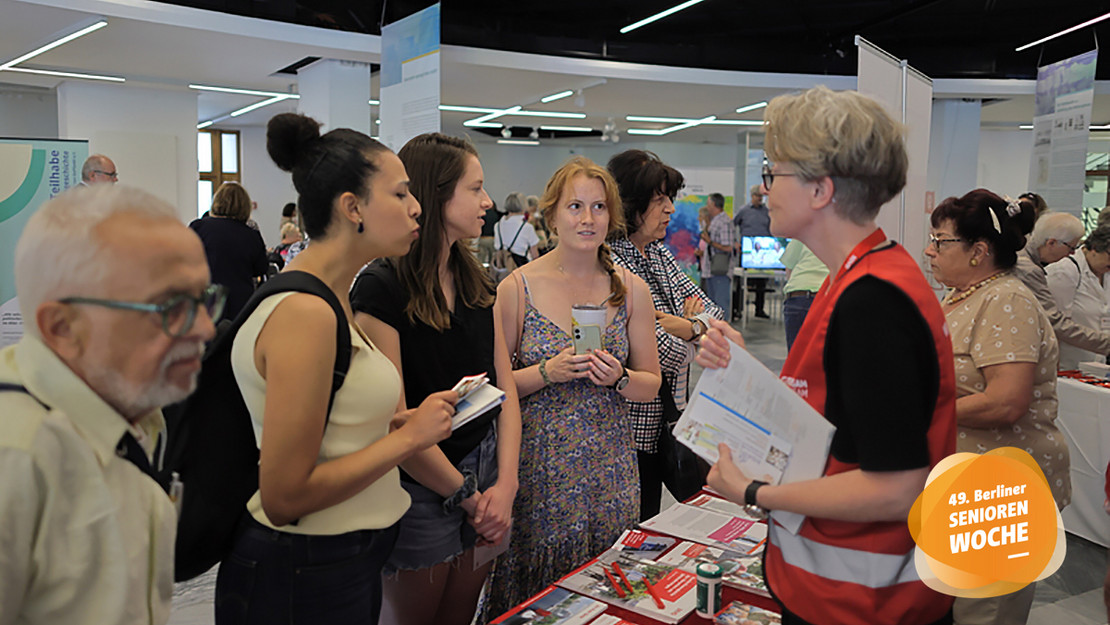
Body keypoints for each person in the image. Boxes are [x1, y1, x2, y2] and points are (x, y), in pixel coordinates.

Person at [696, 86, 957, 625]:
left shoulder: (871, 302)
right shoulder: (861, 276)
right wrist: (746, 369)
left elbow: (897, 487)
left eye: (776, 174)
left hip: (865, 602)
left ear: (820, 189)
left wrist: (752, 490)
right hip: (848, 593)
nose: (766, 190)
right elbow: (839, 416)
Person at [213, 113, 456, 625]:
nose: (416, 209)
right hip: (307, 570)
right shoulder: (306, 312)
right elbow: (286, 495)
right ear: (353, 208)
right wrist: (408, 442)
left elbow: (327, 430)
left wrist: (396, 425)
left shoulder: (330, 297)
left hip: (337, 562)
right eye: (400, 194)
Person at [0, 184, 221, 624]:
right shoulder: (17, 459)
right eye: (170, 306)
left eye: (203, 299)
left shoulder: (133, 415)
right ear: (63, 326)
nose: (204, 330)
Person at [349, 133, 520, 625]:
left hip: (485, 472)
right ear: (437, 194)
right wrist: (466, 496)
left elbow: (503, 390)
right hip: (421, 485)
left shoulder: (475, 280)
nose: (487, 202)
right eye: (476, 189)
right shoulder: (382, 288)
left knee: (460, 613)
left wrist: (504, 486)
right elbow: (394, 419)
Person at [482, 156, 661, 621]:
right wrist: (548, 371)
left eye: (598, 207)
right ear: (552, 214)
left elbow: (650, 383)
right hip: (542, 467)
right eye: (575, 206)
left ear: (612, 216)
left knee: (605, 585)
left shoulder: (631, 290)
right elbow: (494, 389)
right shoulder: (518, 288)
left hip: (611, 468)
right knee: (540, 593)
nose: (587, 219)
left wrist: (618, 378)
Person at [925, 189, 1069, 625]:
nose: (929, 250)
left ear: (979, 251)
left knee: (985, 611)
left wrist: (921, 412)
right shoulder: (964, 295)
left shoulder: (1007, 300)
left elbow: (1006, 402)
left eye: (941, 240)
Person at [606, 148, 723, 519]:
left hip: (673, 418)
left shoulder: (658, 254)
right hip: (630, 427)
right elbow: (660, 353)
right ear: (631, 204)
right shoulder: (612, 262)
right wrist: (693, 338)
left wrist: (689, 326)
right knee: (636, 523)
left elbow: (715, 315)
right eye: (659, 200)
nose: (670, 209)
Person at [1014, 212, 1110, 362]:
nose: (1072, 253)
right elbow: (1055, 322)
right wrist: (1106, 343)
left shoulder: (1025, 258)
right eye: (1071, 247)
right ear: (1051, 243)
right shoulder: (1030, 270)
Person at [188, 181, 269, 319]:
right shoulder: (251, 235)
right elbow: (261, 268)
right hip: (240, 305)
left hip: (205, 301)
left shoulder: (199, 228)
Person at [1048, 224, 1110, 369]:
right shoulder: (1064, 271)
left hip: (1098, 363)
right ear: (1094, 248)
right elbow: (1056, 324)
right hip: (1066, 364)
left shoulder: (1105, 272)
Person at [779, 239, 827, 351]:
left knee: (795, 356)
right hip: (827, 295)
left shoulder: (804, 230)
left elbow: (789, 266)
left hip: (798, 294)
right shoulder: (844, 233)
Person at [733, 184, 772, 318]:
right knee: (741, 282)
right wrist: (735, 241)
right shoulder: (743, 210)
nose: (760, 199)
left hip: (763, 251)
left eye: (761, 196)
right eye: (757, 196)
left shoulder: (767, 212)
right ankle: (738, 310)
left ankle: (759, 310)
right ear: (752, 196)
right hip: (746, 250)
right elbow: (732, 225)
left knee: (762, 282)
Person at [701, 192, 736, 313]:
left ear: (714, 204)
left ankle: (722, 331)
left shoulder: (724, 222)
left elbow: (728, 247)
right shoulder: (715, 220)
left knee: (720, 306)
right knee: (713, 307)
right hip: (712, 270)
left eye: (708, 203)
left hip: (720, 271)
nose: (707, 206)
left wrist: (710, 241)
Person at [495, 192, 540, 266]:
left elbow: (498, 248)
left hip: (503, 267)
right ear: (524, 205)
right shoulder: (527, 227)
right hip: (521, 266)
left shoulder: (497, 225)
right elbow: (534, 254)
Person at [477, 198, 500, 265]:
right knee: (492, 259)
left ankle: (481, 272)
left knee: (481, 258)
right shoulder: (496, 215)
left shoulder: (483, 215)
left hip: (483, 238)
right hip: (493, 239)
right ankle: (490, 272)